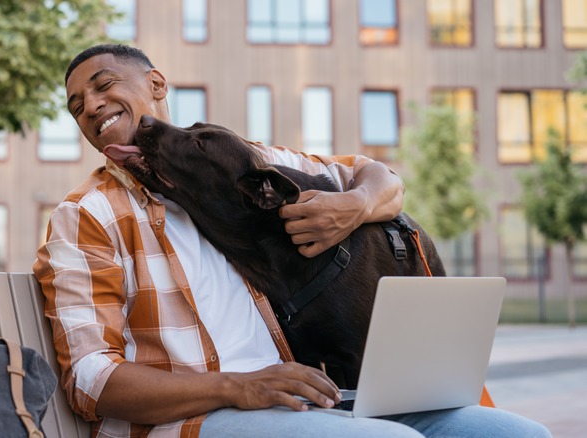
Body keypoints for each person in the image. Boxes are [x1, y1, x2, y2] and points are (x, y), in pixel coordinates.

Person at [34, 44, 550, 438]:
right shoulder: (87, 215)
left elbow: (379, 177)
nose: (92, 107)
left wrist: (356, 205)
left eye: (104, 86)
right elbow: (90, 380)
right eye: (77, 106)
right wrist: (239, 385)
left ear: (156, 83)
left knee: (516, 433)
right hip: (194, 419)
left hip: (302, 401)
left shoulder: (237, 159)